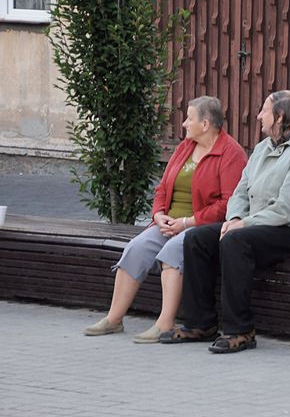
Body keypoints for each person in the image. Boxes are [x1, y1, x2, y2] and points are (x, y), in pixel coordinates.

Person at [160, 90, 290, 353]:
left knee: (235, 241)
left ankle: (240, 330)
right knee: (197, 238)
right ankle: (201, 323)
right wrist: (233, 218)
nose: (258, 116)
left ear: (279, 116)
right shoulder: (264, 148)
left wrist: (244, 224)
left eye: (263, 111)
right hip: (257, 226)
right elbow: (241, 191)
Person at [84, 96, 247, 342]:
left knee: (171, 252)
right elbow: (162, 187)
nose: (183, 124)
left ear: (205, 124)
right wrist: (158, 214)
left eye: (189, 118)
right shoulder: (185, 147)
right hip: (169, 222)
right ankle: (114, 319)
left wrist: (187, 222)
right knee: (136, 248)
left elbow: (228, 203)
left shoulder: (230, 153)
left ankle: (165, 323)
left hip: (201, 227)